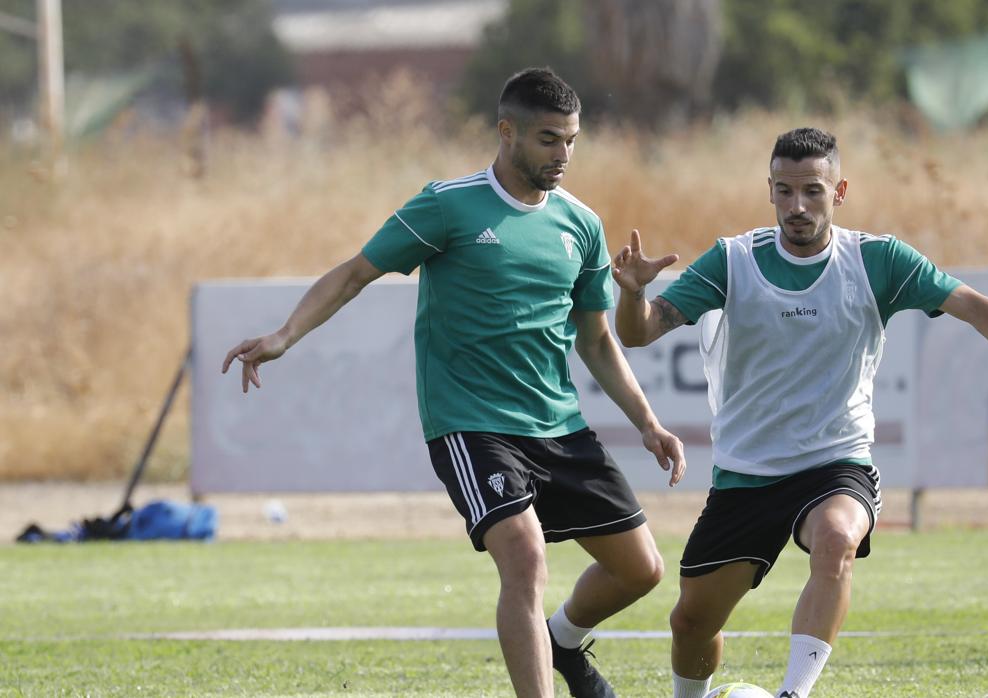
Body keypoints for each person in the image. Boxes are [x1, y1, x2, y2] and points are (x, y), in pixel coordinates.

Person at [222, 67, 686, 698]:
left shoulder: (581, 224)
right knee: (524, 557)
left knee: (642, 570)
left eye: (572, 140)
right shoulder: (448, 204)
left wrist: (649, 423)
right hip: (470, 423)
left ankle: (563, 642)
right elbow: (356, 272)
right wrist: (283, 336)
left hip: (559, 425)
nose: (563, 154)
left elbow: (598, 339)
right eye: (549, 139)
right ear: (507, 132)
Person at [611, 127, 988, 698]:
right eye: (784, 192)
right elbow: (640, 334)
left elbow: (970, 303)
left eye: (812, 191)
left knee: (836, 540)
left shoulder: (877, 260)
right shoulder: (734, 260)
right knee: (692, 624)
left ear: (840, 190)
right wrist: (631, 295)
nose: (797, 207)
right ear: (770, 190)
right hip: (747, 471)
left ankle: (792, 695)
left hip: (836, 461)